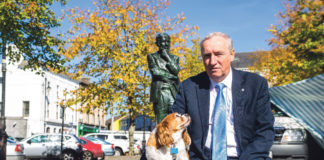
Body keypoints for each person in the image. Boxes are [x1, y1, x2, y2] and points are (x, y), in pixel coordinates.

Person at [172, 32, 274, 160]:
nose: (212, 62)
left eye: (218, 54)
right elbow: (171, 127)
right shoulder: (189, 87)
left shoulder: (255, 85)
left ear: (232, 54)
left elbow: (265, 131)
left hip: (247, 156)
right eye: (207, 56)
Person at [147, 33, 180, 123]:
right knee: (161, 123)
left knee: (174, 120)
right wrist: (172, 76)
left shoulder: (175, 58)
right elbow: (155, 71)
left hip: (173, 92)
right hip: (160, 92)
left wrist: (167, 57)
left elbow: (176, 70)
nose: (164, 44)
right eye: (162, 42)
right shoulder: (152, 57)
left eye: (167, 42)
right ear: (157, 43)